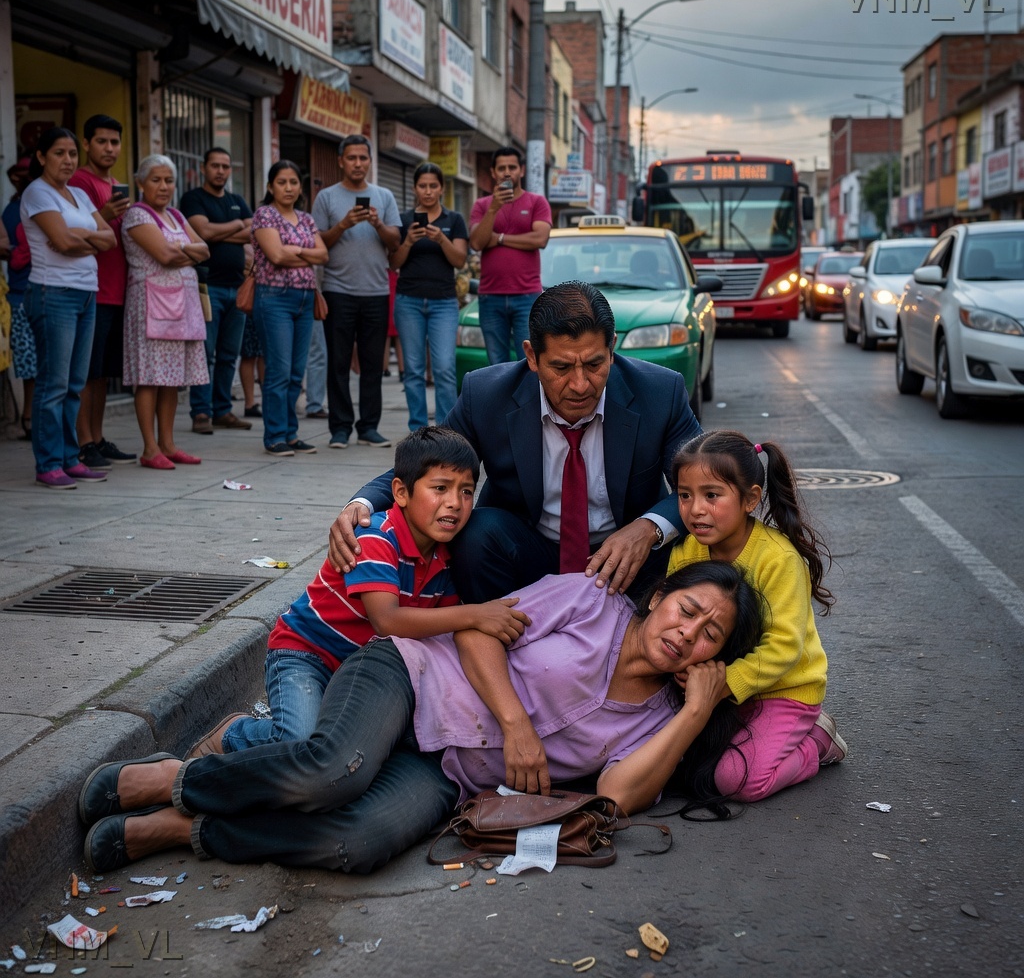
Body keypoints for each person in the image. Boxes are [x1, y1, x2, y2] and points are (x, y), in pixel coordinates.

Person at [80, 560, 761, 874]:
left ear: (713, 658)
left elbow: (617, 795)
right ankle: (174, 780)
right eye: (687, 609)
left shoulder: (661, 717)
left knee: (360, 842)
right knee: (335, 772)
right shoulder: (589, 600)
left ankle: (186, 829)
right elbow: (475, 633)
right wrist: (517, 724)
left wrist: (696, 711)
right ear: (662, 595)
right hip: (412, 678)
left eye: (709, 635)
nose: (688, 631)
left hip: (448, 772)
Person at [330, 281, 702, 603]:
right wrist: (359, 504)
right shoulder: (487, 394)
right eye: (561, 367)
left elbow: (704, 481)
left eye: (594, 364)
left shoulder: (659, 391)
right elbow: (424, 465)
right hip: (530, 549)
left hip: (630, 557)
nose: (579, 384)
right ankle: (496, 644)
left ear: (612, 348)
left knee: (696, 541)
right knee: (476, 535)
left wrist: (649, 527)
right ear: (531, 357)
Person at [189, 426, 530, 756]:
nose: (455, 502)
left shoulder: (448, 555)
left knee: (347, 746)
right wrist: (477, 614)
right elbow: (387, 620)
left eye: (466, 491)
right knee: (299, 739)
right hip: (306, 654)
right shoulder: (376, 537)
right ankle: (233, 733)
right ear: (400, 492)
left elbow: (439, 631)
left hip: (357, 668)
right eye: (440, 488)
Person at [669, 430, 847, 803]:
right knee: (674, 764)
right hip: (717, 687)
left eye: (711, 495)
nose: (695, 509)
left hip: (784, 690)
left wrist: (725, 683)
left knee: (737, 780)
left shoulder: (777, 559)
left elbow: (784, 646)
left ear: (750, 499)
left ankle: (816, 741)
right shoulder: (685, 553)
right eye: (685, 496)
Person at [21, 128, 116, 490]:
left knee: (75, 383)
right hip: (52, 292)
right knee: (54, 383)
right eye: (59, 153)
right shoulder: (37, 192)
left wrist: (82, 240)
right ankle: (48, 463)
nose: (68, 160)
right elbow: (59, 242)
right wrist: (86, 239)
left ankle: (68, 458)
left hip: (86, 292)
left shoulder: (78, 194)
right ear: (42, 157)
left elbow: (108, 238)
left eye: (72, 154)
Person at [312, 135, 401, 451]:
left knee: (372, 364)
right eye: (352, 158)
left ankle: (368, 427)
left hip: (376, 291)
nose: (358, 164)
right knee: (337, 363)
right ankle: (339, 428)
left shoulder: (384, 196)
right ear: (341, 161)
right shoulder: (326, 198)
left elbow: (396, 243)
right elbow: (317, 243)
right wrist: (343, 225)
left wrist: (378, 224)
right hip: (337, 290)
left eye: (364, 158)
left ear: (370, 161)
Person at [121, 155, 209, 470]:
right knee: (149, 377)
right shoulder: (136, 216)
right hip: (150, 306)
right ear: (141, 183)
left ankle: (168, 444)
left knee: (171, 379)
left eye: (168, 180)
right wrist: (185, 251)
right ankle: (149, 448)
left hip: (181, 306)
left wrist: (180, 251)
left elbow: (204, 249)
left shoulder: (174, 215)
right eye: (156, 180)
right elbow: (164, 254)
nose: (163, 186)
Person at [69, 114, 136, 469]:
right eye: (101, 142)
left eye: (114, 142)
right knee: (86, 373)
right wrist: (104, 214)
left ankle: (97, 436)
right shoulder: (79, 182)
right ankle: (83, 441)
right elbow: (77, 232)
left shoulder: (116, 184)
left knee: (102, 375)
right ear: (86, 144)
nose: (109, 149)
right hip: (92, 290)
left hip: (118, 292)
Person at [251, 160, 329, 456]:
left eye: (293, 182)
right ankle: (275, 435)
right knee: (279, 370)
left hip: (305, 298)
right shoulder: (265, 215)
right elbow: (275, 256)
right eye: (281, 182)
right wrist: (303, 255)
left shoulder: (306, 218)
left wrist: (294, 251)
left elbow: (323, 255)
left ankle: (291, 432)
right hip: (274, 297)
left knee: (297, 372)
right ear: (270, 186)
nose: (288, 187)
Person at [180, 147, 254, 435]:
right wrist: (237, 225)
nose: (221, 171)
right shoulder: (193, 199)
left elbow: (253, 232)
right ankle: (201, 411)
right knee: (205, 353)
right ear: (203, 168)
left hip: (237, 289)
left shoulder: (236, 200)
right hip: (206, 288)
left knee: (228, 355)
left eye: (225, 166)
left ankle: (222, 409)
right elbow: (202, 234)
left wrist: (219, 230)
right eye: (215, 165)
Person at [391, 162, 468, 431]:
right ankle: (418, 429)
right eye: (422, 186)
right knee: (412, 370)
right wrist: (409, 241)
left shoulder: (453, 220)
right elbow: (394, 262)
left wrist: (441, 240)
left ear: (442, 189)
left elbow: (459, 259)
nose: (427, 191)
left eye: (433, 186)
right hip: (408, 301)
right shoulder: (403, 219)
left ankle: (447, 429)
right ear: (414, 188)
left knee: (445, 368)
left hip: (444, 302)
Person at [468, 147, 552, 365]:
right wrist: (494, 209)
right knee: (497, 365)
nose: (507, 172)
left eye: (512, 167)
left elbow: (540, 239)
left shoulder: (536, 202)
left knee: (531, 361)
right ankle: (502, 401)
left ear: (521, 170)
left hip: (527, 296)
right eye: (501, 168)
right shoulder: (482, 205)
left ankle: (529, 401)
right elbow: (477, 242)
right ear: (493, 173)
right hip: (490, 297)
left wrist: (500, 239)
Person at [3, 157, 35, 440]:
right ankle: (29, 418)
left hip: (28, 292)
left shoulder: (15, 209)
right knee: (32, 363)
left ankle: (30, 418)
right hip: (23, 293)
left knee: (32, 364)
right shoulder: (15, 210)